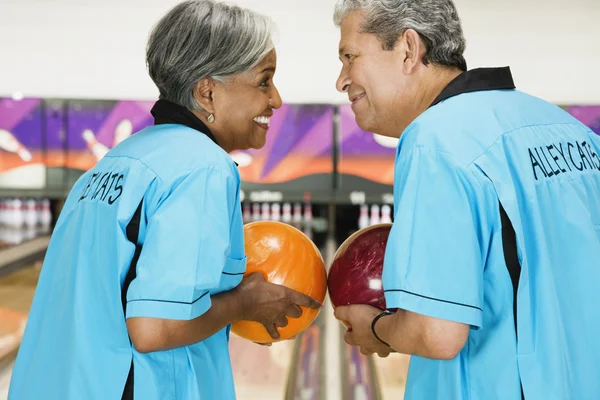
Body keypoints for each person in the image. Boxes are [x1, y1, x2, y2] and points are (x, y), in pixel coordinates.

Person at [8, 1, 321, 399]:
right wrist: (243, 304)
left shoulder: (114, 161)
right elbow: (155, 327)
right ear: (206, 92)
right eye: (264, 81)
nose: (275, 100)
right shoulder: (203, 167)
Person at [331, 1, 600, 399]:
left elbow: (436, 333)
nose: (341, 80)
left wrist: (374, 330)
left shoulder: (436, 141)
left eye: (350, 57)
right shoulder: (571, 130)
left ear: (408, 49)